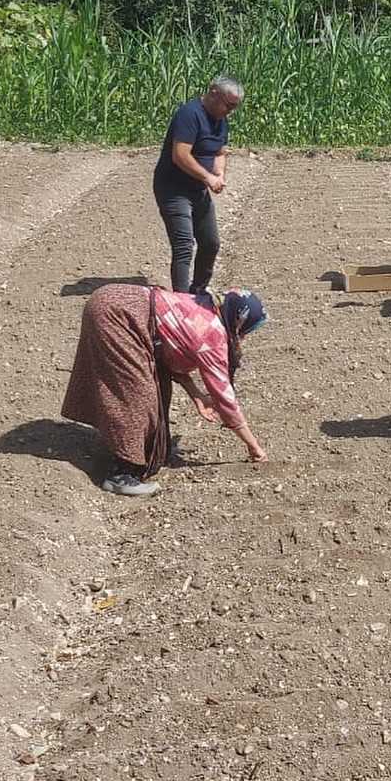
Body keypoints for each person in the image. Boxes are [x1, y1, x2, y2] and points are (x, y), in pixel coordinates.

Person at [62, 283, 268, 497]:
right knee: (138, 394)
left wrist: (196, 395)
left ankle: (145, 452)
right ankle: (121, 474)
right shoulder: (212, 334)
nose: (243, 337)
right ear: (239, 320)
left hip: (114, 302)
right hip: (117, 313)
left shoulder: (203, 307)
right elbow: (224, 398)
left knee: (157, 386)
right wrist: (254, 447)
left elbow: (169, 352)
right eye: (246, 331)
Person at [153, 75, 244, 294]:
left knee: (211, 243)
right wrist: (208, 178)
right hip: (173, 188)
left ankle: (199, 291)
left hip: (197, 190)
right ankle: (181, 300)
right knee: (184, 244)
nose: (230, 111)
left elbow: (219, 152)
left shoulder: (221, 121)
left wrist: (219, 172)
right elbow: (180, 155)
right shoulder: (189, 115)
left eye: (235, 107)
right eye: (228, 105)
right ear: (213, 94)